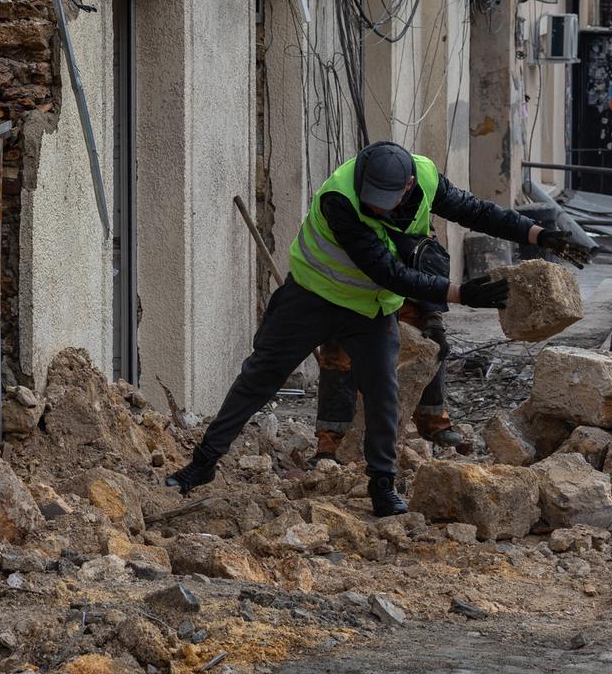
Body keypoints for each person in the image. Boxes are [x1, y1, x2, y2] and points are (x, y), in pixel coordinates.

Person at [166, 141, 590, 516]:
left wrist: (539, 235)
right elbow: (388, 272)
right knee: (260, 376)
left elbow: (475, 211)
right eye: (371, 199)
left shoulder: (425, 175)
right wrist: (462, 293)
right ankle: (202, 463)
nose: (376, 208)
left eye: (385, 201)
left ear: (408, 186)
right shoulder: (339, 198)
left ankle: (382, 485)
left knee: (384, 393)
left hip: (369, 309)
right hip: (312, 297)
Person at [314, 234, 456, 455]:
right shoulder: (341, 219)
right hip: (350, 290)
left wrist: (433, 316)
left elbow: (429, 258)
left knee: (428, 341)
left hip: (400, 287)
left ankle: (434, 421)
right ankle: (332, 442)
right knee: (338, 356)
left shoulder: (413, 218)